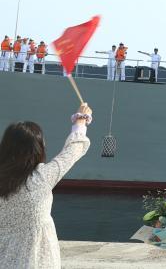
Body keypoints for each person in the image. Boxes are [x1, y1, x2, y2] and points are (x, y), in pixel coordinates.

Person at [0, 102, 92, 268]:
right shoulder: (42, 177)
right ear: (38, 149)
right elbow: (73, 151)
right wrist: (81, 120)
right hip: (37, 263)